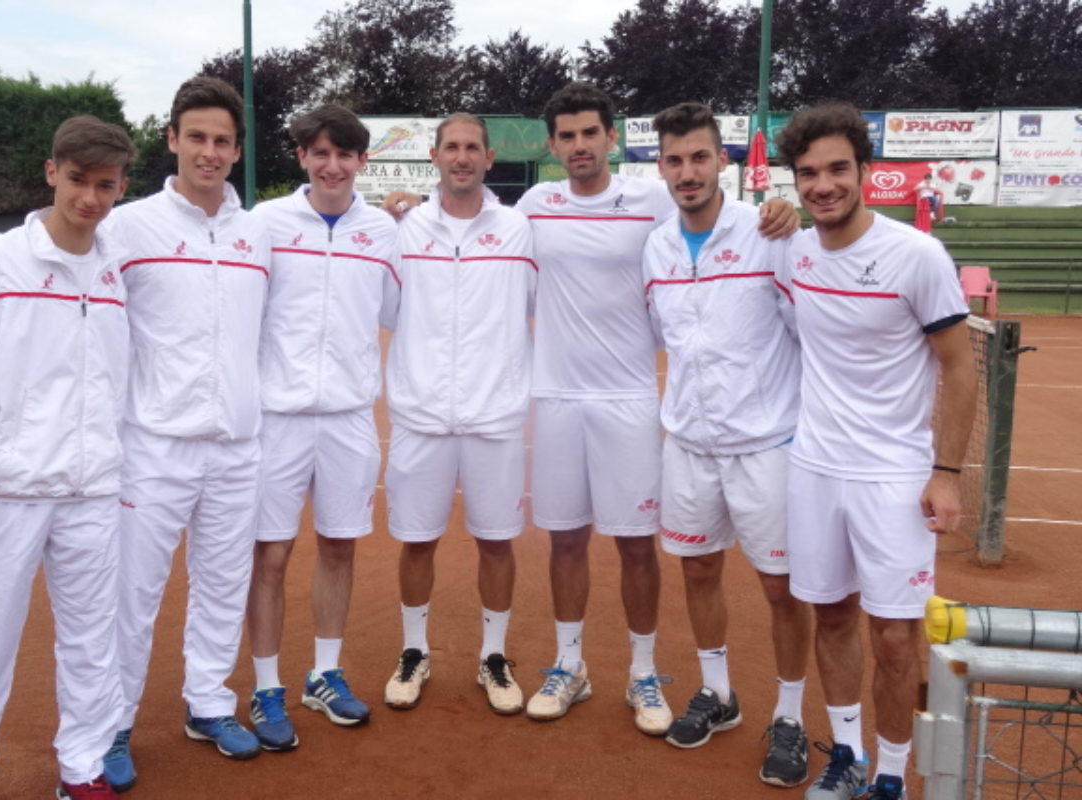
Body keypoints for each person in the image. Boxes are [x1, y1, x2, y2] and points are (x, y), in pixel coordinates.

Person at [384, 82, 796, 735]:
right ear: (553, 146)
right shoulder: (533, 210)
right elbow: (463, 214)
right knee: (566, 540)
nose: (579, 146)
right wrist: (406, 207)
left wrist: (777, 207)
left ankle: (642, 674)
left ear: (611, 138)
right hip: (553, 399)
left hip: (629, 398)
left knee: (636, 548)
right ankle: (568, 665)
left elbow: (718, 211)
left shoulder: (657, 197)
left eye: (590, 134)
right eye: (567, 137)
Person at [0, 115, 136, 800]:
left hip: (94, 490)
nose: (90, 199)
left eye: (105, 185)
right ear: (51, 173)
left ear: (123, 186)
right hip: (5, 490)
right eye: (77, 181)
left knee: (93, 645)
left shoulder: (114, 267)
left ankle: (83, 766)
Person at [775, 102, 975, 800]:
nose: (822, 185)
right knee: (830, 616)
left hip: (893, 476)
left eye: (836, 169)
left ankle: (891, 774)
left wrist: (944, 474)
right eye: (807, 174)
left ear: (865, 172)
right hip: (815, 470)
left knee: (894, 639)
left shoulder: (915, 255)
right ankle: (847, 755)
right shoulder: (796, 251)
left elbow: (959, 363)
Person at [100, 77, 271, 790]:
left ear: (237, 150)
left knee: (224, 585)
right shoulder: (126, 225)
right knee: (129, 595)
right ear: (171, 139)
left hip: (236, 445)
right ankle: (106, 723)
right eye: (195, 137)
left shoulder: (260, 231)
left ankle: (207, 704)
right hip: (152, 448)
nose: (209, 152)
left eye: (222, 141)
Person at [642, 102, 812, 785]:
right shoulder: (654, 246)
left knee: (780, 586)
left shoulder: (771, 235)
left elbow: (808, 332)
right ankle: (718, 694)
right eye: (675, 160)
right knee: (699, 569)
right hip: (687, 441)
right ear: (661, 167)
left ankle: (792, 715)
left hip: (766, 444)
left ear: (723, 162)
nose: (688, 172)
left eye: (700, 157)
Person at [244, 104, 398, 744]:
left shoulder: (386, 232)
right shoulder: (264, 223)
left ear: (362, 162)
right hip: (274, 419)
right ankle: (265, 688)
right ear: (302, 158)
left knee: (339, 546)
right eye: (320, 153)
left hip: (348, 419)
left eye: (345, 154)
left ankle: (324, 674)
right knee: (271, 555)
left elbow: (395, 311)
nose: (332, 165)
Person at [380, 113, 536, 716]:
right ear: (434, 155)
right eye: (452, 147)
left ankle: (493, 655)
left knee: (496, 543)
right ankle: (415, 651)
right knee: (417, 541)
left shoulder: (521, 229)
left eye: (473, 147)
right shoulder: (402, 228)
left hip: (494, 418)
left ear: (489, 159)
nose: (463, 157)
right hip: (421, 417)